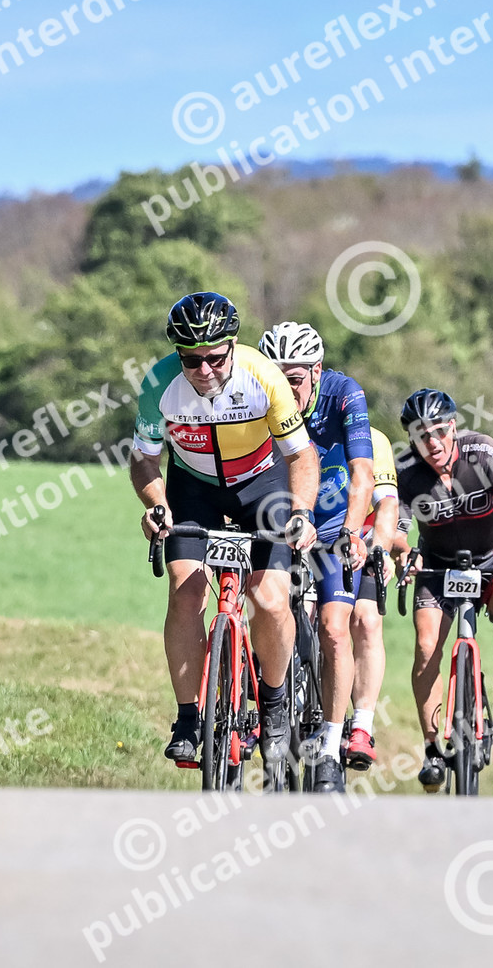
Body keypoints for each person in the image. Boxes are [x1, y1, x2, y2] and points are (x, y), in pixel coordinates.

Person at [129, 292, 320, 771]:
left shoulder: (263, 376)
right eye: (191, 360)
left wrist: (301, 512)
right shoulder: (159, 384)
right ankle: (188, 719)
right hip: (194, 486)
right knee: (184, 590)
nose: (204, 370)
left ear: (233, 346)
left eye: (215, 358)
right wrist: (156, 506)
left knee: (270, 599)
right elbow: (144, 459)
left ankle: (274, 703)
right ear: (177, 355)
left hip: (262, 484)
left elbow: (301, 455)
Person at [391, 388, 493, 792]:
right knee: (426, 648)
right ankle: (432, 749)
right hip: (437, 564)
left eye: (439, 431)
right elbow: (397, 530)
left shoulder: (482, 452)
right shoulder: (407, 470)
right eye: (422, 435)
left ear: (453, 427)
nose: (433, 443)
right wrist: (404, 553)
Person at [257, 320, 375, 792]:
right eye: (277, 378)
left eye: (295, 379)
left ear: (317, 371)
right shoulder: (258, 395)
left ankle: (328, 744)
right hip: (277, 521)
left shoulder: (344, 394)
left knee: (333, 628)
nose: (286, 389)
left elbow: (362, 472)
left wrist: (351, 532)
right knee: (263, 611)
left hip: (331, 525)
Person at [345, 424, 400, 772]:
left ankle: (362, 726)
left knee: (366, 619)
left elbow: (387, 504)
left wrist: (381, 550)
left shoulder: (373, 439)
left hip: (360, 538)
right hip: (306, 534)